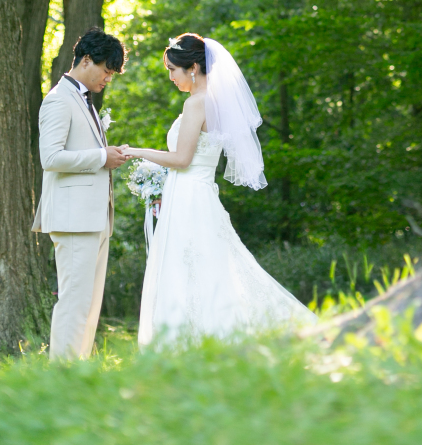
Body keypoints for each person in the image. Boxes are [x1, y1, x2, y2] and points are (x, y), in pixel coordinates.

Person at [125, 33, 316, 346]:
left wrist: (135, 151)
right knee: (208, 264)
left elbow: (182, 159)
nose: (170, 77)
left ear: (193, 68)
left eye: (173, 69)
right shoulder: (214, 101)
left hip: (189, 195)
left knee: (191, 265)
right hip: (194, 192)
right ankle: (200, 336)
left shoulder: (196, 103)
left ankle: (193, 339)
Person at [33, 28, 129, 360]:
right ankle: (62, 375)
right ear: (86, 60)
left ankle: (79, 370)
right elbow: (51, 158)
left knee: (88, 301)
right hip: (74, 219)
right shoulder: (59, 99)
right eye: (106, 71)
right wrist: (103, 158)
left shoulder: (84, 100)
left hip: (94, 217)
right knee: (74, 299)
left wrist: (106, 154)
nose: (108, 79)